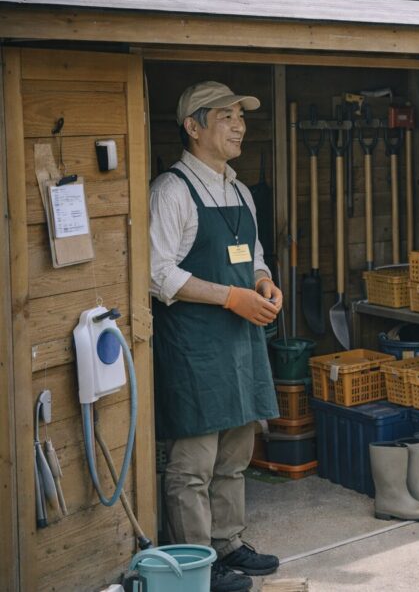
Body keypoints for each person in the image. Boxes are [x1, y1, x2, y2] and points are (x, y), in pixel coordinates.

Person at [150, 81, 282, 592]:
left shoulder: (239, 189)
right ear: (193, 126)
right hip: (196, 347)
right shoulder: (172, 190)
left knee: (234, 456)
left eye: (240, 117)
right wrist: (230, 298)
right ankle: (197, 562)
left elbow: (255, 255)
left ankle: (227, 544)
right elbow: (158, 274)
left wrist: (264, 282)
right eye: (226, 116)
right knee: (193, 465)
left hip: (241, 340)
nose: (239, 126)